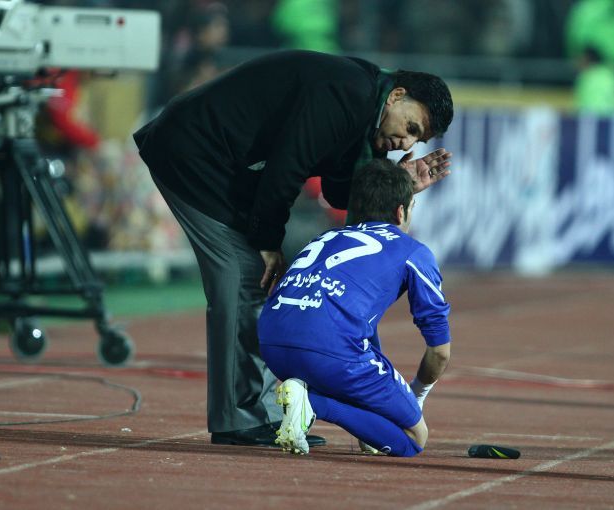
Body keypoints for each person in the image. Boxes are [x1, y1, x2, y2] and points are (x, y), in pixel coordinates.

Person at [132, 50, 454, 447]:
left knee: (253, 277)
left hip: (217, 161)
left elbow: (341, 192)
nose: (406, 141)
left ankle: (261, 414)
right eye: (411, 126)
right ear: (397, 95)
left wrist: (399, 183)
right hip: (191, 151)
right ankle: (240, 419)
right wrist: (268, 241)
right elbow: (288, 165)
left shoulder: (365, 105)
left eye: (417, 139)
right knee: (245, 275)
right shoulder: (347, 94)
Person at [258, 159, 451, 456]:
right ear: (401, 211)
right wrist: (416, 397)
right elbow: (439, 352)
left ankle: (303, 396)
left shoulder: (327, 236)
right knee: (413, 438)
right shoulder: (413, 251)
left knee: (349, 340)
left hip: (272, 345)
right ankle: (313, 404)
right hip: (327, 350)